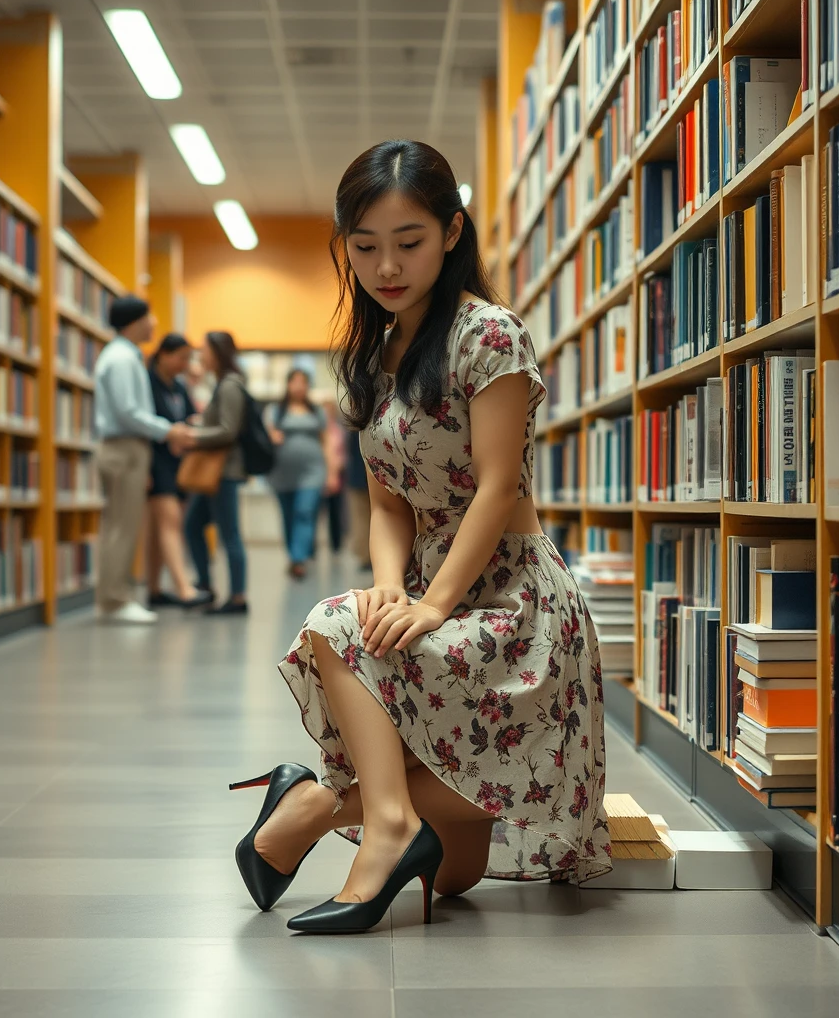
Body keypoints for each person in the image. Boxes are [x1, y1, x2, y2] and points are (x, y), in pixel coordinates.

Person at [231, 141, 610, 935]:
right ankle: (377, 817)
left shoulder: (490, 335)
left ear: (451, 232)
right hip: (431, 579)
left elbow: (499, 485)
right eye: (364, 246)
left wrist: (434, 604)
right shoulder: (370, 355)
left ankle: (320, 810)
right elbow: (387, 503)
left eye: (408, 241)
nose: (386, 266)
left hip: (512, 599)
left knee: (336, 639)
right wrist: (389, 587)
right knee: (459, 873)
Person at [94, 295, 193, 624]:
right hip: (124, 447)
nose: (154, 323)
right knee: (122, 527)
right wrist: (168, 431)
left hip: (129, 447)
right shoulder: (122, 359)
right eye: (150, 317)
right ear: (135, 321)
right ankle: (115, 601)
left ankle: (117, 597)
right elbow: (128, 411)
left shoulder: (126, 356)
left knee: (122, 525)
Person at [183, 330, 249, 615]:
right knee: (192, 525)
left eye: (204, 350)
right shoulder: (222, 383)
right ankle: (206, 588)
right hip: (216, 472)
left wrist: (193, 434)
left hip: (224, 471)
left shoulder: (230, 385)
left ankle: (237, 598)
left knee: (229, 533)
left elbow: (228, 430)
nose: (201, 355)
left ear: (218, 352)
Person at [145, 333, 213, 609]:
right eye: (181, 358)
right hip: (156, 461)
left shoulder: (179, 387)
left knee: (156, 528)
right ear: (164, 354)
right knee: (171, 522)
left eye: (189, 359)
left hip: (178, 464)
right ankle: (184, 588)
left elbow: (184, 417)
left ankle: (154, 589)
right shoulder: (147, 382)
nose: (185, 364)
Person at [265, 369, 327, 580]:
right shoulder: (275, 411)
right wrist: (271, 436)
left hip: (312, 472)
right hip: (281, 473)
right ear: (288, 384)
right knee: (288, 516)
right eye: (295, 382)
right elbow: (266, 434)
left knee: (304, 511)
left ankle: (298, 559)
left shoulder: (316, 411)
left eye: (303, 382)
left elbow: (325, 441)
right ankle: (294, 555)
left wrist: (333, 471)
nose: (299, 386)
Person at [319, 399, 348, 554]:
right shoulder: (316, 431)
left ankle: (336, 545)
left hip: (336, 475)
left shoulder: (339, 431)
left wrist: (336, 470)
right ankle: (310, 549)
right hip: (318, 475)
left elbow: (343, 453)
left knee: (334, 512)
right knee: (313, 513)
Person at [345, 424, 371, 570]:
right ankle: (367, 555)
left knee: (361, 518)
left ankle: (365, 555)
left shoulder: (357, 420)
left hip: (358, 475)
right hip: (371, 474)